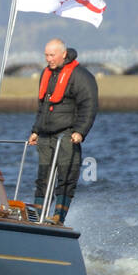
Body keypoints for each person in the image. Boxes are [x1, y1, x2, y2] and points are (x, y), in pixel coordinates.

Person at [27, 39, 98, 224]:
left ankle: (58, 217)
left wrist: (80, 131)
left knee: (66, 176)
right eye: (46, 55)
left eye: (52, 55)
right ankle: (37, 216)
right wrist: (35, 130)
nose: (48, 59)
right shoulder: (46, 73)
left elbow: (89, 105)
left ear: (63, 54)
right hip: (45, 136)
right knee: (43, 178)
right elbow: (42, 106)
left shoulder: (81, 76)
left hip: (67, 135)